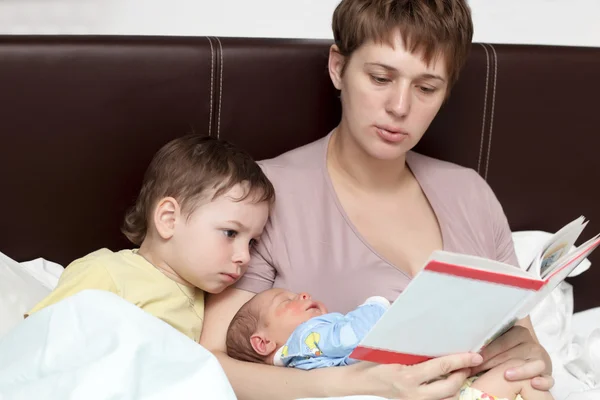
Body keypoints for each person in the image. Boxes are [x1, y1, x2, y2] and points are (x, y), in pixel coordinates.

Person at [199, 0, 554, 398]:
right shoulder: (260, 194)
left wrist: (532, 356)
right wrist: (352, 383)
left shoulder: (470, 193)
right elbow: (210, 364)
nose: (399, 107)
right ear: (338, 67)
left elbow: (523, 340)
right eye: (381, 78)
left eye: (426, 87)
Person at [27, 135, 274, 342]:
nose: (245, 257)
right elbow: (37, 340)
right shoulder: (108, 272)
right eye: (230, 233)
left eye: (252, 242)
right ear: (169, 219)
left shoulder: (216, 305)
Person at [225, 288, 555, 400]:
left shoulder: (308, 359)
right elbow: (355, 334)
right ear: (262, 341)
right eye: (287, 300)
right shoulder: (305, 340)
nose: (304, 294)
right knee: (518, 374)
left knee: (523, 374)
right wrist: (378, 304)